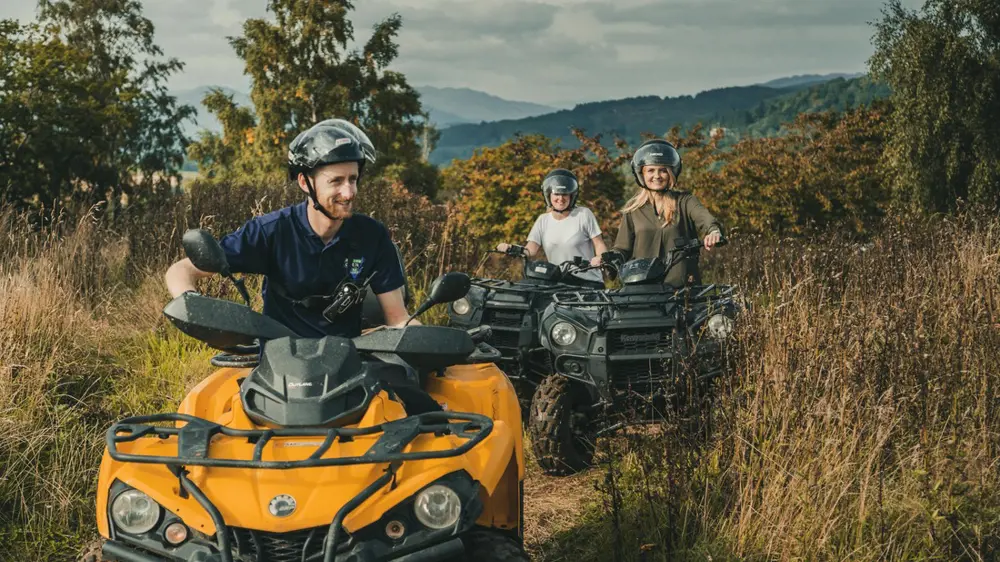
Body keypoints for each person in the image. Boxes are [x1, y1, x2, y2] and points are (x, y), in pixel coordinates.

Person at [164, 118, 414, 338]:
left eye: (353, 179)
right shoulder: (271, 231)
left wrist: (428, 342)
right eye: (336, 181)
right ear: (305, 183)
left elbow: (397, 318)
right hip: (279, 368)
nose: (348, 193)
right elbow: (180, 270)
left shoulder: (372, 236)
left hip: (348, 365)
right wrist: (192, 303)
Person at [596, 139, 724, 287]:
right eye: (651, 170)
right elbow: (622, 248)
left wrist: (713, 231)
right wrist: (609, 259)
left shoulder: (685, 201)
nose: (657, 176)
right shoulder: (633, 209)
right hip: (642, 289)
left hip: (681, 289)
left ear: (671, 173)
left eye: (663, 170)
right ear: (641, 174)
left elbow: (705, 218)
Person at [495, 168, 608, 289]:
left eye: (565, 194)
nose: (560, 198)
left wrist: (599, 258)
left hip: (587, 281)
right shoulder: (543, 220)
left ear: (572, 195)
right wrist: (511, 248)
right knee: (523, 289)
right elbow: (530, 250)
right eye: (556, 194)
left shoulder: (583, 214)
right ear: (548, 195)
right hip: (558, 281)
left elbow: (599, 244)